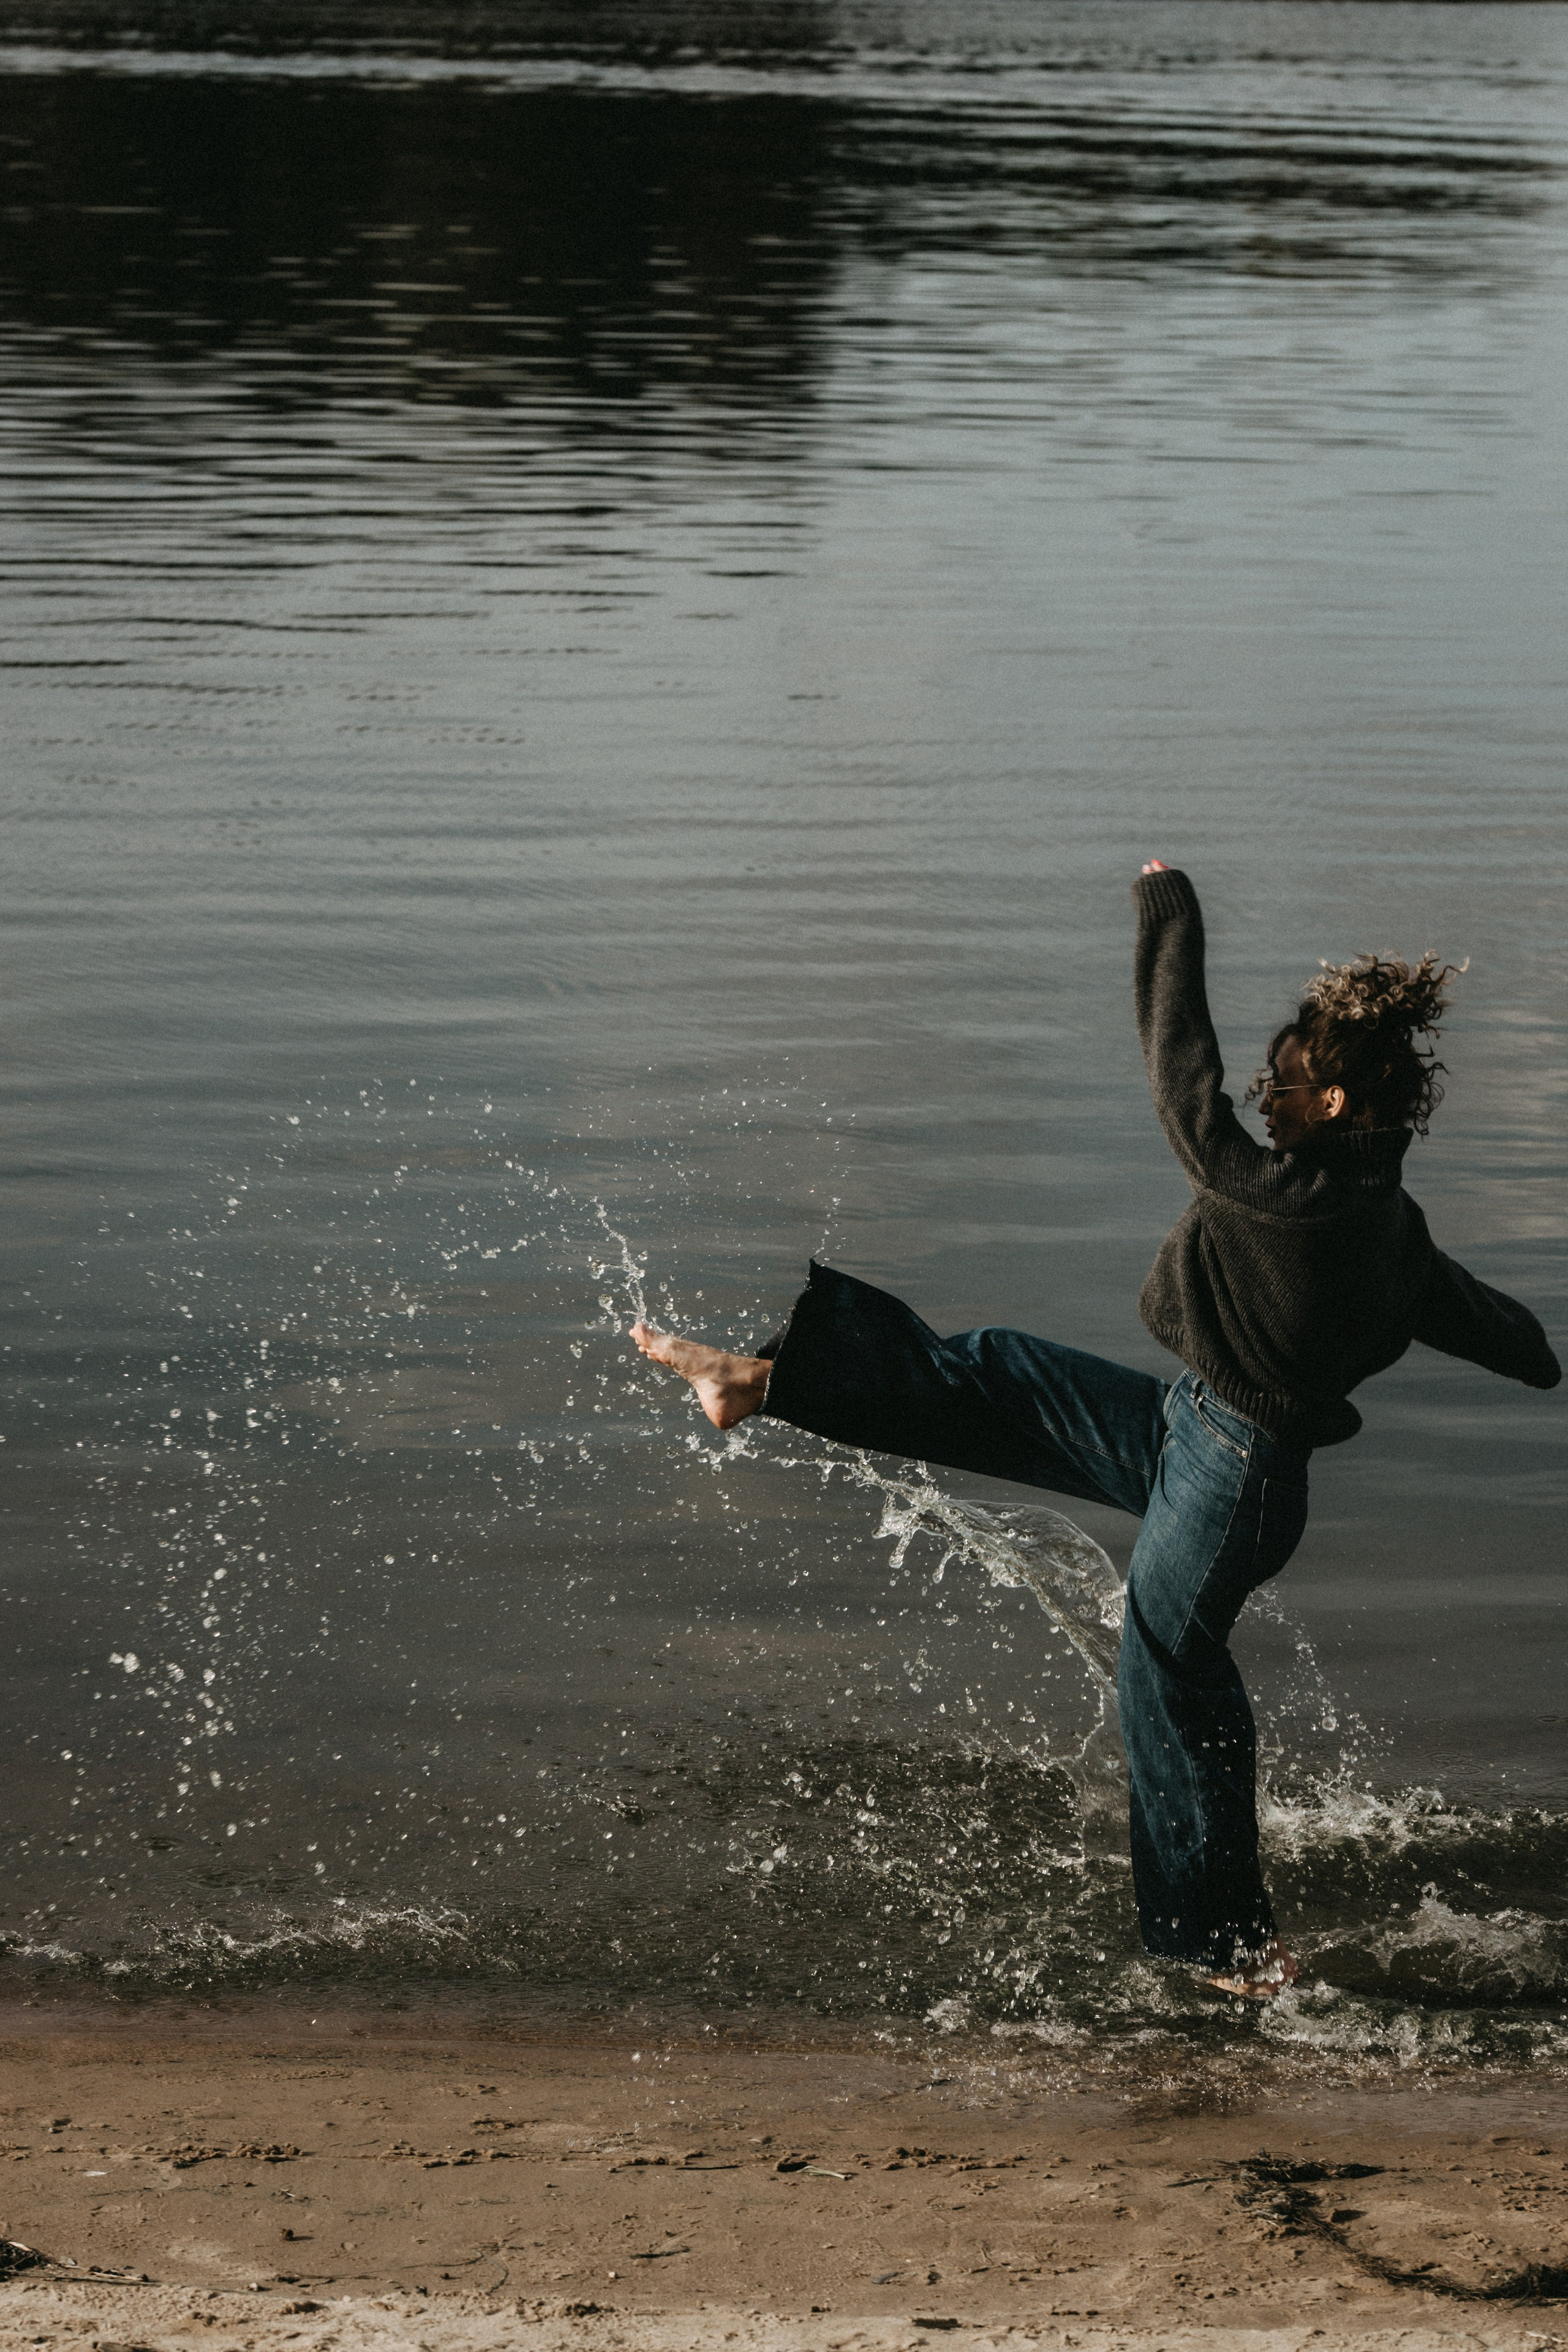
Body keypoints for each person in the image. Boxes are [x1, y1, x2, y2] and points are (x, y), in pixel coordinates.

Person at [631, 864, 1559, 1999]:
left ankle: (1226, 1949)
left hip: (1234, 1479)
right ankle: (761, 1383)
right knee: (1002, 1373)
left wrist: (1171, 919)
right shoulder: (1387, 1225)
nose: (1266, 1088)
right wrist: (1543, 1356)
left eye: (1289, 1077)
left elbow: (1184, 1079)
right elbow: (1486, 1318)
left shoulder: (1277, 1197)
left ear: (1331, 1106)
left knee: (1169, 1670)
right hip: (1195, 1435)